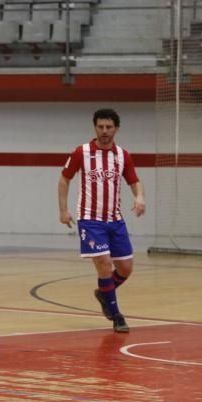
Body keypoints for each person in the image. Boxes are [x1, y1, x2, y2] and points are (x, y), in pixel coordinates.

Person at [58, 108, 145, 334]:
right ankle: (116, 315)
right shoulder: (81, 152)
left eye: (108, 127)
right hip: (90, 220)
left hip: (115, 220)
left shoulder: (122, 155)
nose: (104, 131)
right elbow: (64, 180)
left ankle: (103, 294)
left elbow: (134, 181)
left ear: (116, 128)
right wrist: (64, 210)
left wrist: (139, 197)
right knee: (105, 265)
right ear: (95, 127)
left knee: (125, 268)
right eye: (100, 127)